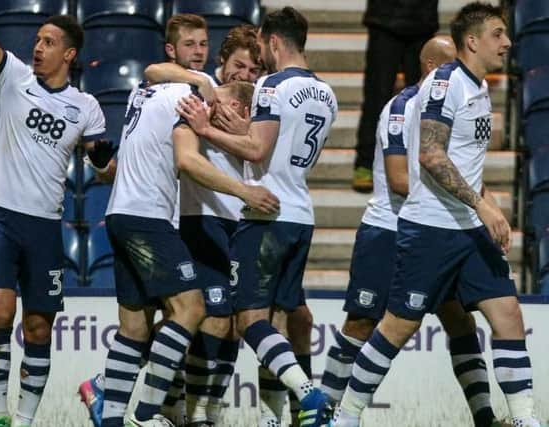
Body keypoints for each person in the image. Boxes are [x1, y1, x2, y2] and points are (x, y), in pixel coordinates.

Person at [335, 4, 545, 427]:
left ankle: (524, 418)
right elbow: (431, 155)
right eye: (498, 34)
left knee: (508, 314)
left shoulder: (478, 87)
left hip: (467, 228)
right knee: (397, 328)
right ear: (473, 41)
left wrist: (486, 202)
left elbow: (464, 160)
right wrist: (481, 203)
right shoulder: (445, 84)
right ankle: (346, 416)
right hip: (431, 227)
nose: (507, 42)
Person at [0, 2, 114, 427]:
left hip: (45, 227)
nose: (38, 48)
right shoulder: (15, 76)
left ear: (70, 54)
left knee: (39, 330)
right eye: (38, 40)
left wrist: (119, 164)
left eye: (49, 42)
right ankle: (0, 416)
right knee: (0, 312)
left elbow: (103, 169)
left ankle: (25, 422)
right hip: (0, 216)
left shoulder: (86, 107)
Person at [177, 7, 337, 427]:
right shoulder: (327, 93)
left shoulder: (271, 86)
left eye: (262, 46)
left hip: (266, 216)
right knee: (279, 322)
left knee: (249, 321)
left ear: (273, 41)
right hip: (301, 212)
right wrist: (246, 130)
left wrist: (208, 129)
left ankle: (309, 396)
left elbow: (256, 151)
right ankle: (273, 418)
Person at [91, 75, 279, 427]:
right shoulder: (191, 97)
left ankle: (112, 416)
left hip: (121, 212)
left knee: (135, 326)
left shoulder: (149, 91)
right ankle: (146, 415)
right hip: (151, 216)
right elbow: (188, 161)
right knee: (192, 308)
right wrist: (245, 192)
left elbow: (154, 69)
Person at [352, 0, 438, 192]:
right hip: (384, 20)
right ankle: (366, 163)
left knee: (422, 100)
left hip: (421, 21)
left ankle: (419, 160)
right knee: (377, 97)